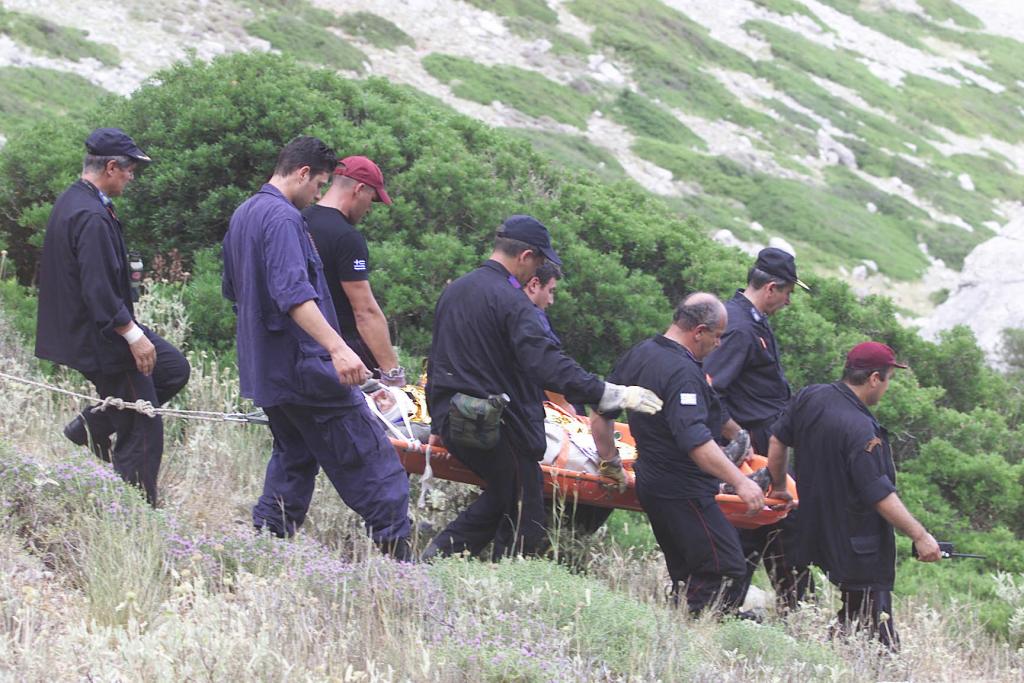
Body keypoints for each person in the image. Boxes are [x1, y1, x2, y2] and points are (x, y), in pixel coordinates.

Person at [423, 215, 662, 561]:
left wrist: (436, 424)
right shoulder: (513, 302)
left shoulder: (456, 290)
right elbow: (548, 366)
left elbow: (439, 357)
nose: (536, 270)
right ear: (525, 256)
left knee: (507, 500)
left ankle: (447, 567)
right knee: (524, 519)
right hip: (495, 426)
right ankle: (448, 565)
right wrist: (610, 393)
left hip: (453, 416)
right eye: (538, 261)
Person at [222, 136, 411, 559]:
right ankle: (401, 573)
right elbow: (293, 294)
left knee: (295, 459)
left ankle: (265, 554)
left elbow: (234, 290)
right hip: (307, 370)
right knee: (377, 468)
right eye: (318, 184)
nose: (319, 195)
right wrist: (339, 350)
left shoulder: (244, 213)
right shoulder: (285, 219)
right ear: (303, 173)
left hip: (267, 371)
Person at [35, 127, 190, 506]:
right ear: (110, 167)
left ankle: (90, 427)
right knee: (143, 422)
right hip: (103, 336)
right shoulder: (89, 215)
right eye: (130, 169)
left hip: (100, 327)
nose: (132, 176)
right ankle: (134, 513)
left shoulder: (79, 201)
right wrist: (131, 334)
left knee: (171, 369)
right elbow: (98, 289)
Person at [591, 293, 766, 615]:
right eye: (717, 337)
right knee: (725, 569)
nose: (719, 345)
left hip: (653, 482)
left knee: (688, 573)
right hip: (681, 490)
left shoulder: (643, 353)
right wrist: (741, 482)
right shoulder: (681, 371)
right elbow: (697, 444)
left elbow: (601, 414)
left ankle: (681, 631)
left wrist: (610, 462)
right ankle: (689, 630)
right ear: (699, 331)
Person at [765, 342, 941, 650]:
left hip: (811, 529)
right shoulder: (861, 430)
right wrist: (920, 535)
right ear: (874, 378)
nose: (886, 387)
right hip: (857, 542)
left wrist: (779, 486)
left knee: (854, 615)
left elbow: (777, 440)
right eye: (888, 379)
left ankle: (828, 652)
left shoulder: (811, 396)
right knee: (877, 624)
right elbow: (879, 494)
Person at [703, 246, 812, 610]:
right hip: (750, 451)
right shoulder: (738, 326)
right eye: (788, 293)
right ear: (771, 288)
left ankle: (791, 607)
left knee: (775, 524)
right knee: (751, 525)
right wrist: (737, 434)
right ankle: (724, 605)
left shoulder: (750, 321)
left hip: (766, 447)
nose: (788, 301)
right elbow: (709, 387)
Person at [303, 156, 405, 387]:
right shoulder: (347, 237)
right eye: (372, 198)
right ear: (359, 189)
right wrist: (392, 373)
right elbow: (365, 311)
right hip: (344, 356)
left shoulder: (299, 220)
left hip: (302, 348)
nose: (369, 208)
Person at [523, 261, 563, 348]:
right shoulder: (535, 316)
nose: (550, 301)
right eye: (550, 291)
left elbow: (511, 279)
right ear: (534, 284)